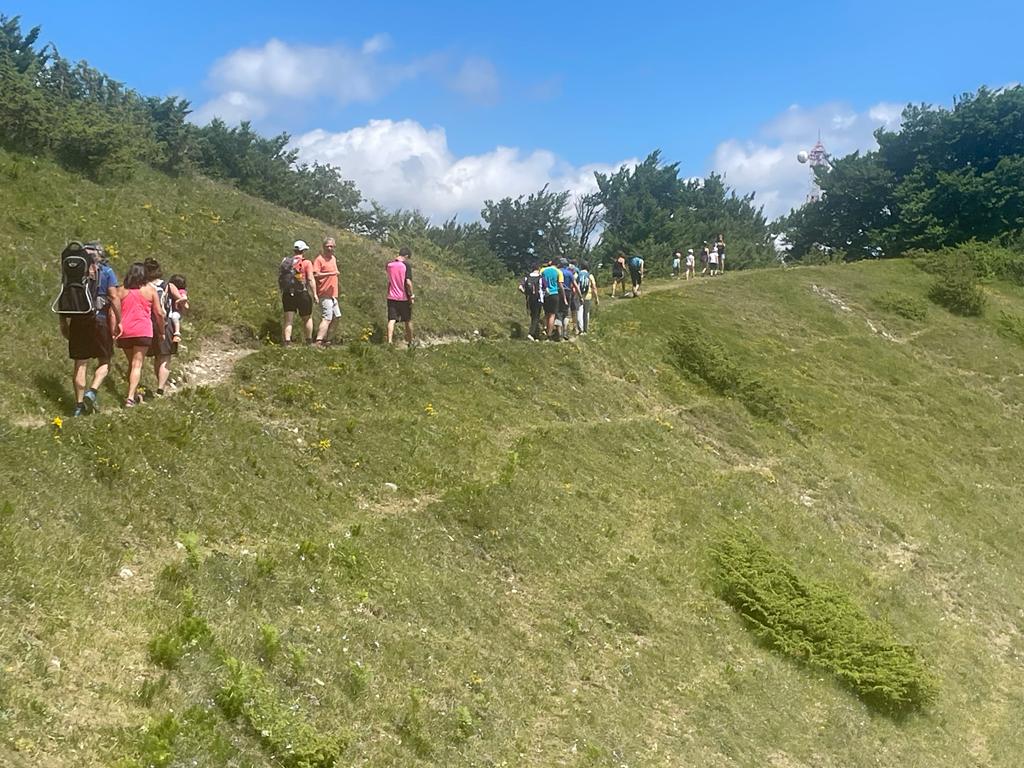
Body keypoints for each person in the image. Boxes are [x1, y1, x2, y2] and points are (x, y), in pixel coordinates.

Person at [58, 242, 120, 416]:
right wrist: (119, 321)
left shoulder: (73, 273)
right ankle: (92, 392)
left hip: (77, 319)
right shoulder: (106, 271)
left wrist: (63, 322)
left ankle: (78, 406)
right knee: (105, 360)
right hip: (100, 320)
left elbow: (64, 295)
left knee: (80, 363)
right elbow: (114, 297)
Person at [116, 262, 164, 407]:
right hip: (143, 330)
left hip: (125, 331)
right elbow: (159, 313)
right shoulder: (150, 290)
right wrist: (161, 331)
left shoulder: (120, 291)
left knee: (131, 363)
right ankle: (130, 397)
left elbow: (113, 311)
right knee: (137, 365)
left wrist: (114, 329)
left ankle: (134, 393)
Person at [144, 258, 181, 397]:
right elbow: (181, 300)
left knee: (156, 356)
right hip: (166, 323)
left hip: (148, 323)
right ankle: (160, 388)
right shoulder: (168, 285)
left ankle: (158, 384)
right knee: (165, 357)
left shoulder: (143, 286)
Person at [279, 240, 317, 346]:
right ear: (303, 251)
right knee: (307, 318)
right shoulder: (307, 263)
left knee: (288, 319)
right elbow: (310, 279)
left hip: (287, 293)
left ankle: (287, 342)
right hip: (302, 293)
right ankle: (308, 341)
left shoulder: (286, 262)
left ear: (294, 250)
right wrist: (315, 294)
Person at [313, 237, 341, 346]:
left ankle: (328, 339)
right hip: (324, 293)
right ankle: (319, 341)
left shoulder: (333, 258)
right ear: (323, 247)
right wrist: (331, 274)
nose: (329, 248)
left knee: (337, 316)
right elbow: (315, 274)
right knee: (327, 317)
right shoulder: (319, 259)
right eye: (327, 246)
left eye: (331, 246)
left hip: (333, 294)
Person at [386, 246, 415, 345]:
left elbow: (390, 281)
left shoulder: (389, 265)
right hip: (403, 297)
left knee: (391, 319)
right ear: (406, 256)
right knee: (408, 320)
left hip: (391, 296)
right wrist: (411, 295)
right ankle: (410, 342)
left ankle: (389, 341)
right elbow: (408, 282)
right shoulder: (406, 265)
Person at [540, 259, 564, 340]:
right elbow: (560, 285)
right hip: (554, 294)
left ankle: (544, 328)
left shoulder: (543, 270)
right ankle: (549, 334)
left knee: (546, 314)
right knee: (552, 315)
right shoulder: (558, 272)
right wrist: (563, 296)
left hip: (545, 294)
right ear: (557, 265)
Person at [518, 264, 543, 341]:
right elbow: (545, 288)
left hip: (529, 299)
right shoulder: (540, 278)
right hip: (538, 299)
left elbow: (520, 287)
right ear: (538, 269)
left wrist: (525, 293)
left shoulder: (527, 277)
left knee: (533, 316)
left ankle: (536, 335)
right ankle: (531, 334)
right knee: (536, 316)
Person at [577, 260, 599, 334]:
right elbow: (594, 287)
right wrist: (596, 298)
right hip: (588, 295)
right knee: (586, 313)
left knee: (579, 312)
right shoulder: (590, 275)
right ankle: (586, 330)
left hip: (579, 295)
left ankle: (580, 329)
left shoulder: (578, 275)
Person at [166, 274, 189, 343]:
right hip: (173, 310)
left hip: (177, 311)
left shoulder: (181, 291)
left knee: (174, 317)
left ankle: (177, 333)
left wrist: (178, 301)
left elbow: (185, 298)